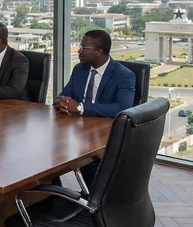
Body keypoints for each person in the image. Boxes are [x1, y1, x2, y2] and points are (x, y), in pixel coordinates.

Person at [54, 29, 135, 188]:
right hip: (75, 131)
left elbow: (122, 108)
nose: (79, 51)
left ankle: (92, 199)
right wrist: (62, 101)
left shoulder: (124, 75)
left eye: (84, 48)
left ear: (99, 52)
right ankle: (52, 192)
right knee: (50, 153)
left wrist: (79, 108)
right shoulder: (79, 69)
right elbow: (64, 94)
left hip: (103, 137)